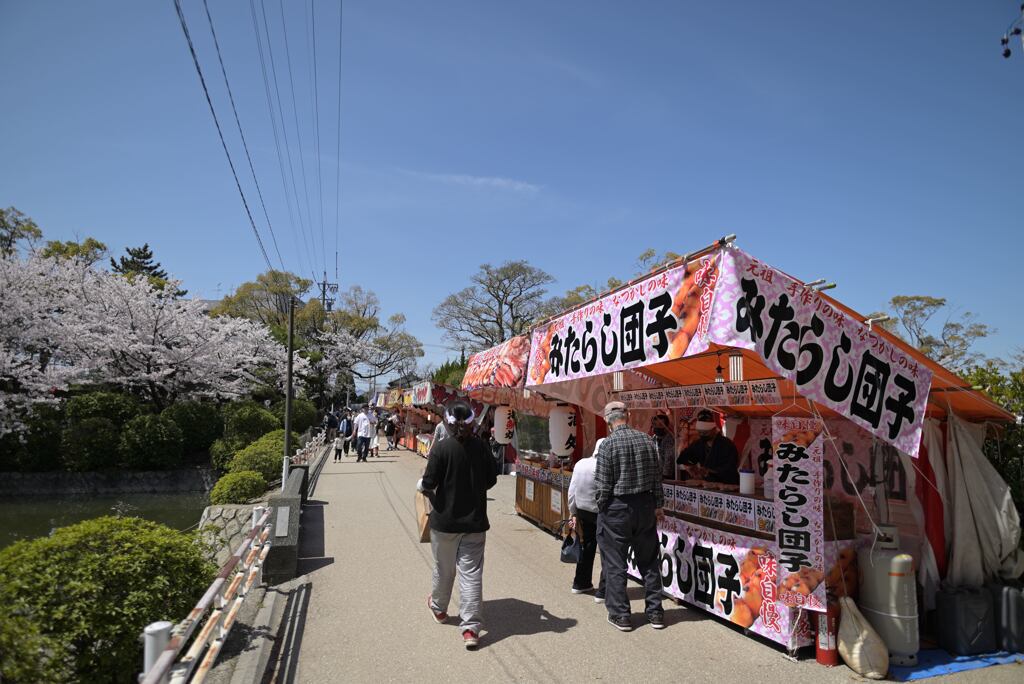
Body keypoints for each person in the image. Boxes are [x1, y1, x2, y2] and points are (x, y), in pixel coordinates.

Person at [418, 399, 498, 650]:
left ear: (448, 422)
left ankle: (439, 608)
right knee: (471, 574)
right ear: (472, 422)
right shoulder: (482, 447)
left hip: (444, 521)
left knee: (444, 568)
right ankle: (471, 628)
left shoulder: (441, 449)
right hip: (475, 522)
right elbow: (491, 480)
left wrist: (422, 486)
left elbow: (428, 484)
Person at [595, 401, 665, 632]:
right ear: (628, 415)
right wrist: (658, 504)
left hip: (617, 509)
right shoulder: (647, 440)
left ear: (607, 420)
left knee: (616, 564)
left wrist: (601, 507)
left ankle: (621, 615)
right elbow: (657, 476)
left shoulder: (608, 445)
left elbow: (603, 486)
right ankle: (655, 613)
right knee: (649, 562)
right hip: (645, 506)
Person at [568, 437, 606, 600]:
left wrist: (572, 512)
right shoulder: (605, 466)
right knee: (607, 551)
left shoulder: (581, 463)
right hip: (602, 512)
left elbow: (572, 490)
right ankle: (603, 591)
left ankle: (580, 582)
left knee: (587, 546)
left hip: (583, 510)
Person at [676, 409, 739, 484]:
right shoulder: (699, 444)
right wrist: (691, 466)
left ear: (714, 430)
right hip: (706, 483)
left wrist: (709, 471)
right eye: (700, 432)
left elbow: (730, 469)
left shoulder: (727, 445)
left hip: (726, 484)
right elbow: (682, 458)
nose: (702, 435)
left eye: (705, 433)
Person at [651, 414, 676, 481]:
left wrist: (665, 475)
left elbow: (669, 458)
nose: (657, 427)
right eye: (654, 424)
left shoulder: (670, 439)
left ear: (666, 426)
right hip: (656, 475)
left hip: (668, 476)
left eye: (660, 425)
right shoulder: (653, 438)